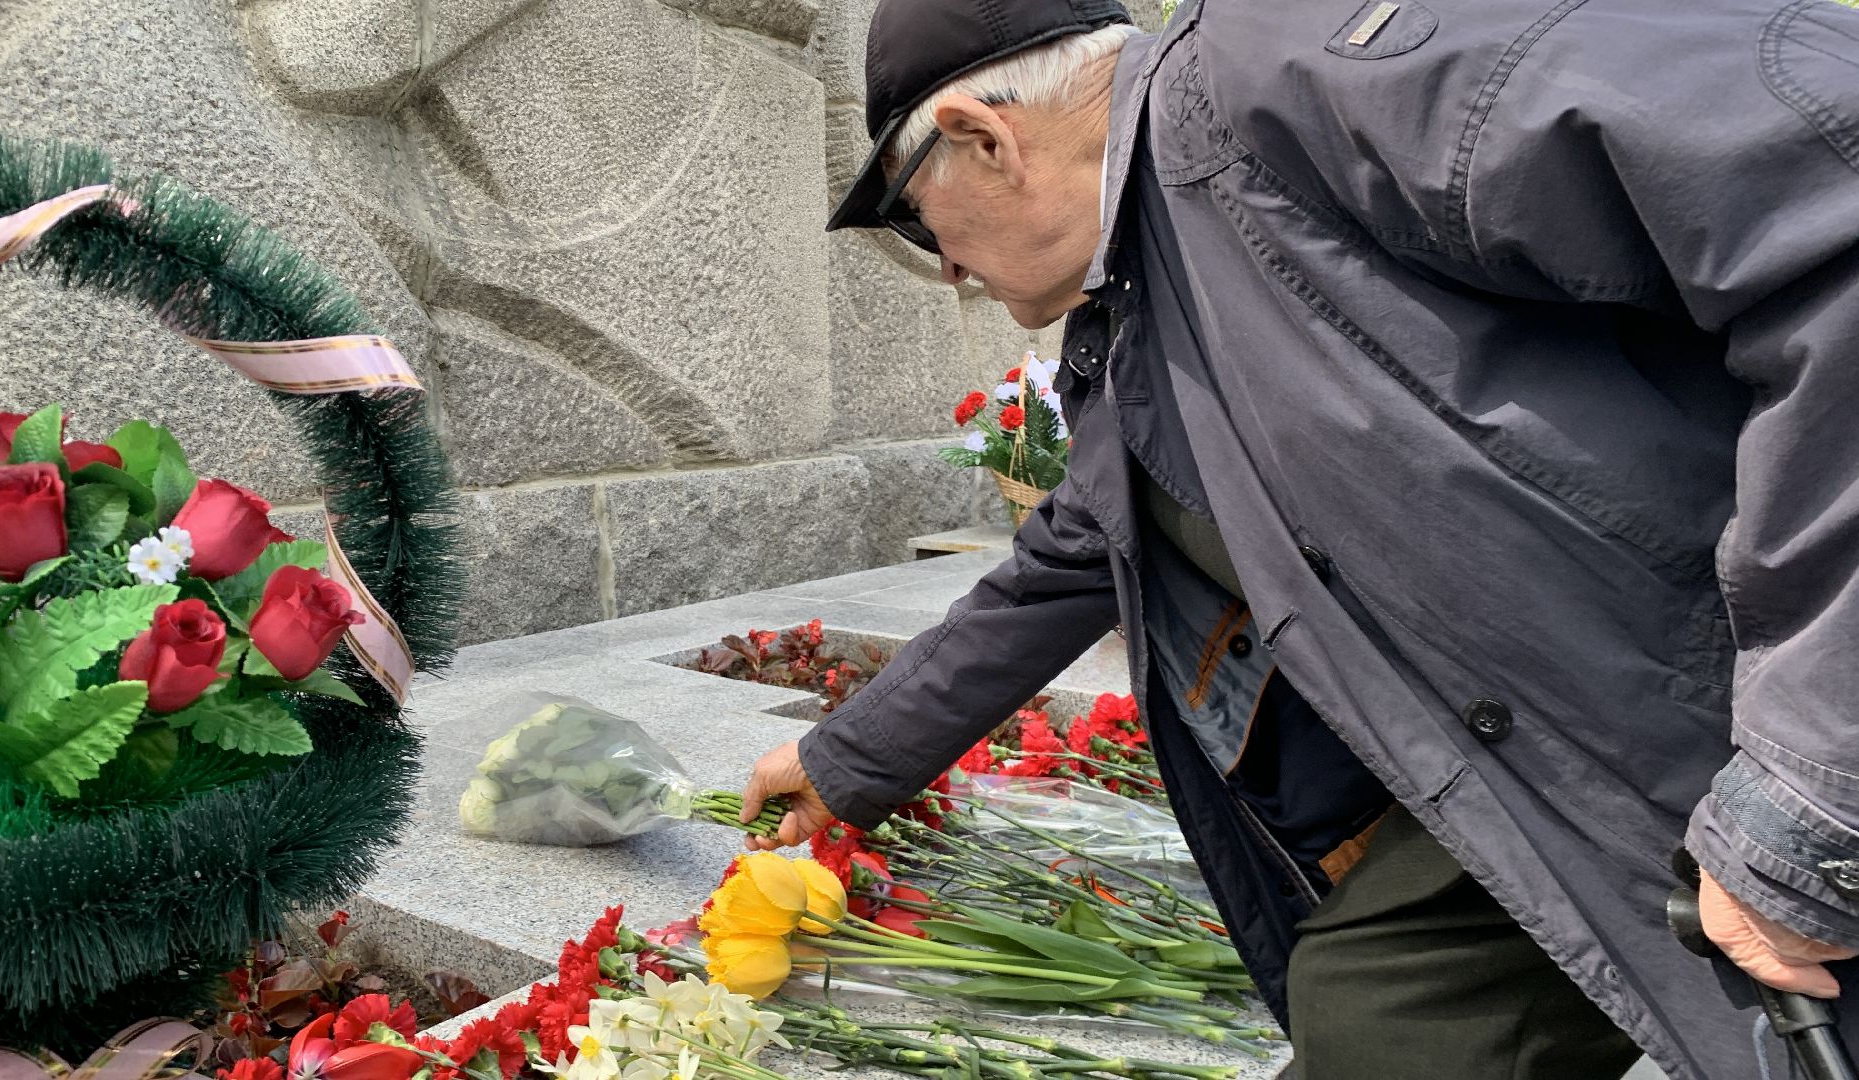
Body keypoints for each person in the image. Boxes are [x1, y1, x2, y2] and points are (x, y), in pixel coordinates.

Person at [740, 0, 1859, 1076]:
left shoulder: (1305, 71)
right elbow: (1076, 551)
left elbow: (1821, 173)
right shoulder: (1148, 297)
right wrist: (851, 757)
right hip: (1544, 754)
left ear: (985, 138)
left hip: (1759, 714)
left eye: (910, 211)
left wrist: (1811, 792)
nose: (941, 267)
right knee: (1379, 1004)